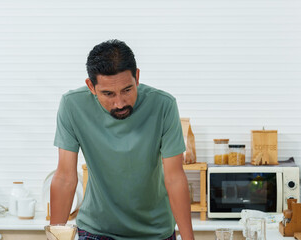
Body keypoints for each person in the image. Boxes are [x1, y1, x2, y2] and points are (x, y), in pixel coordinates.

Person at [50, 39, 194, 240]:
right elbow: (65, 177)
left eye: (127, 89)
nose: (119, 103)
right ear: (91, 86)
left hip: (155, 232)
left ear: (137, 76)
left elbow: (174, 177)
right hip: (96, 231)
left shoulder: (164, 105)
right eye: (108, 94)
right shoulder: (72, 105)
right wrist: (55, 237)